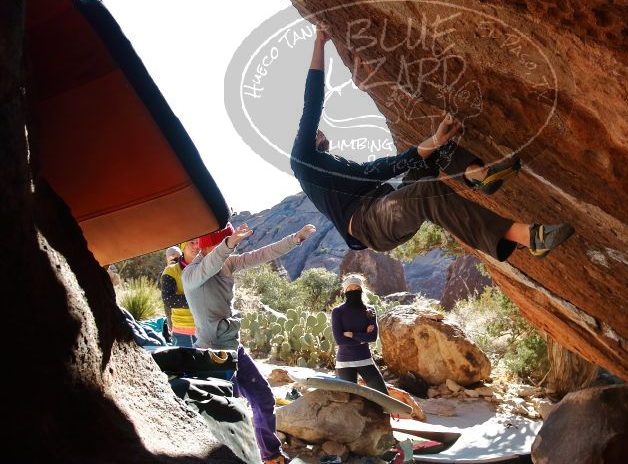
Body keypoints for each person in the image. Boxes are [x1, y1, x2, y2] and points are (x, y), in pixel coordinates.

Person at [290, 25, 575, 265]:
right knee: (425, 192)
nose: (317, 131)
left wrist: (437, 139)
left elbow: (392, 165)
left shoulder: (342, 167)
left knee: (430, 153)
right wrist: (319, 43)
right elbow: (312, 102)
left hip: (387, 206)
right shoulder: (301, 160)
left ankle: (481, 176)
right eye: (311, 132)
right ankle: (529, 237)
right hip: (371, 223)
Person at [183, 221, 316, 464]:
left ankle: (271, 456)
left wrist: (296, 238)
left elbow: (262, 254)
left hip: (235, 349)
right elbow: (211, 263)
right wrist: (228, 244)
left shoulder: (227, 262)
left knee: (263, 397)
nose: (229, 251)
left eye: (228, 244)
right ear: (207, 247)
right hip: (212, 355)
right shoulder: (191, 274)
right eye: (223, 244)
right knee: (228, 411)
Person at [330, 273, 388, 394]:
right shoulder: (337, 311)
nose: (353, 291)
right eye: (350, 289)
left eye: (357, 288)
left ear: (362, 290)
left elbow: (372, 337)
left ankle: (388, 414)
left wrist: (352, 335)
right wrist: (363, 337)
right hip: (344, 362)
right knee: (349, 399)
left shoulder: (370, 310)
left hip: (365, 359)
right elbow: (340, 340)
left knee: (383, 396)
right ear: (345, 291)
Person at [160, 240, 200, 347]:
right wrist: (199, 299)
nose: (197, 246)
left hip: (207, 329)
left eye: (199, 242)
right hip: (182, 331)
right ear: (183, 247)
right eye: (192, 242)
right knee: (186, 363)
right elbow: (168, 299)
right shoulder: (171, 271)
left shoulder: (207, 267)